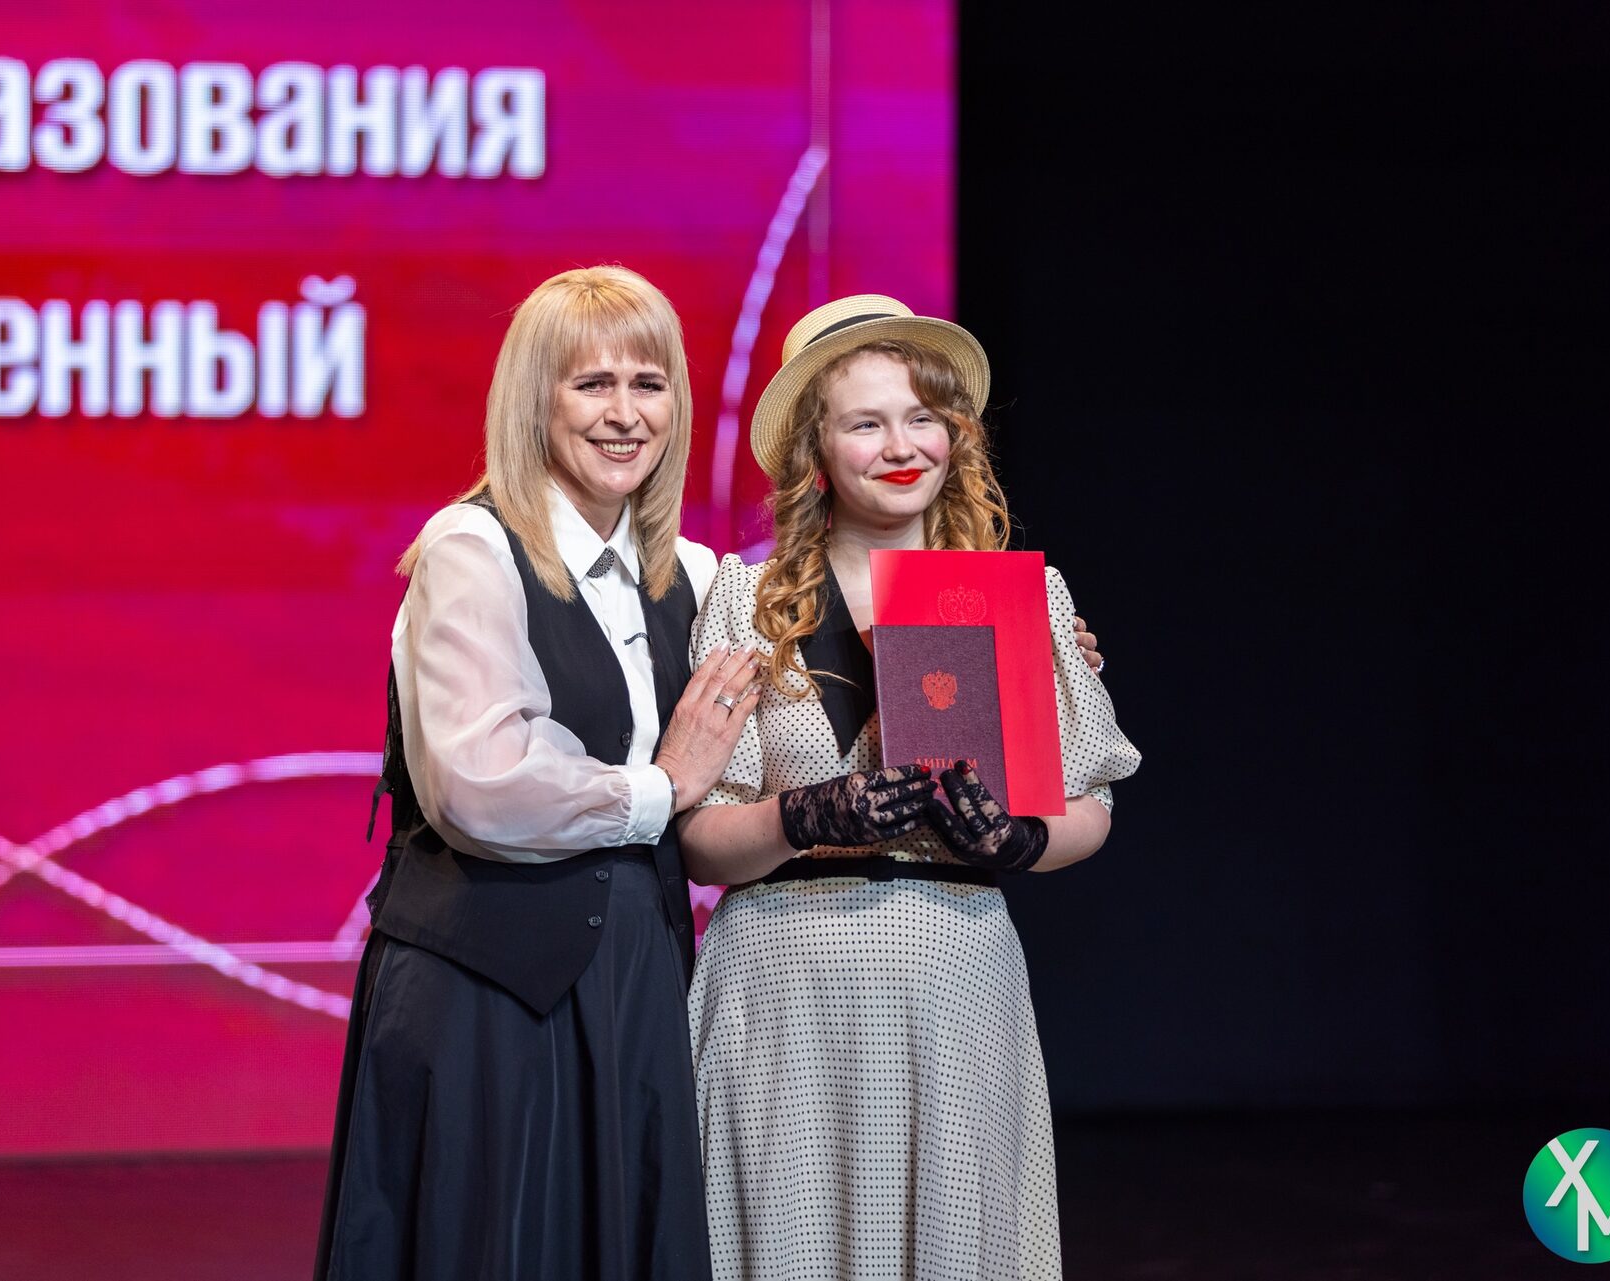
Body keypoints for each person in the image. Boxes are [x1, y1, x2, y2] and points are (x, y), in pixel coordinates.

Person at [313, 266, 762, 1281]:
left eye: (648, 384)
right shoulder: (470, 548)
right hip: (485, 991)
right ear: (534, 400)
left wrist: (1035, 657)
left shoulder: (698, 577)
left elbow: (820, 673)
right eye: (591, 383)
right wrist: (661, 789)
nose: (625, 413)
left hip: (637, 979)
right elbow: (480, 782)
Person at [680, 295, 1142, 1280]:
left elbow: (1092, 803)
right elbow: (699, 837)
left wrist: (1020, 840)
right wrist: (804, 815)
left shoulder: (1023, 598)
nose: (901, 446)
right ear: (815, 449)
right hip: (784, 991)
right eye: (866, 422)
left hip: (953, 979)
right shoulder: (743, 597)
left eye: (921, 417)